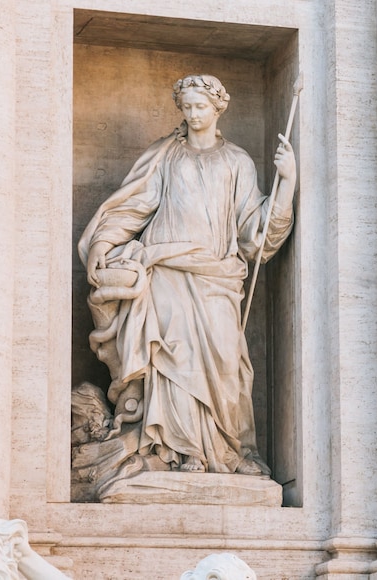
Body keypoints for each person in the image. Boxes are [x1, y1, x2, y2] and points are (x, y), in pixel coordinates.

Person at [78, 74, 298, 476]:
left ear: (218, 109)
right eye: (188, 107)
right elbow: (133, 207)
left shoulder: (237, 161)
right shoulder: (164, 155)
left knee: (225, 364)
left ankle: (226, 450)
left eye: (202, 107)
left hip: (216, 276)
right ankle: (177, 451)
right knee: (172, 360)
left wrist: (287, 183)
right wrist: (101, 243)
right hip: (166, 271)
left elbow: (257, 233)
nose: (194, 115)